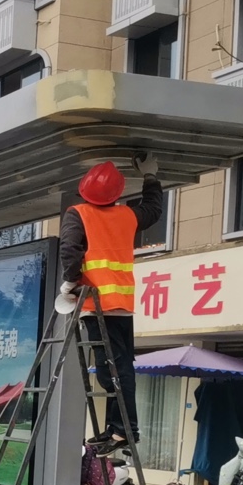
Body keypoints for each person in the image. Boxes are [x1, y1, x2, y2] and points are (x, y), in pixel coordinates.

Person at [57, 153, 162, 449]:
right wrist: (150, 176)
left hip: (97, 304)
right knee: (118, 368)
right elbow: (153, 209)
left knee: (111, 370)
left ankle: (124, 430)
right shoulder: (127, 216)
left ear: (84, 189)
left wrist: (69, 283)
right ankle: (118, 428)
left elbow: (69, 249)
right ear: (116, 194)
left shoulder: (78, 213)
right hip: (121, 306)